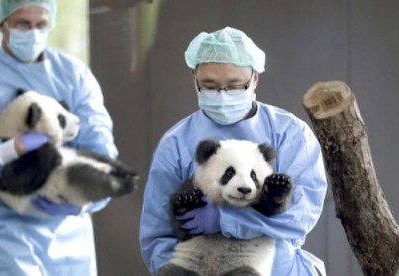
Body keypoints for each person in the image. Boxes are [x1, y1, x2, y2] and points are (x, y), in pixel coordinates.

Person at [0, 0, 118, 275]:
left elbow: (102, 154)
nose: (33, 32)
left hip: (70, 235)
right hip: (3, 232)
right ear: (2, 23)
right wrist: (8, 150)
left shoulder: (74, 76)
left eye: (41, 24)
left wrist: (85, 198)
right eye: (23, 24)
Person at [139, 26, 327, 275]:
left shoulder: (289, 133)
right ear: (194, 77)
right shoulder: (176, 142)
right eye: (210, 85)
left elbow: (298, 216)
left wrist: (225, 221)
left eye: (235, 85)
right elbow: (157, 232)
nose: (223, 95)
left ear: (255, 79)